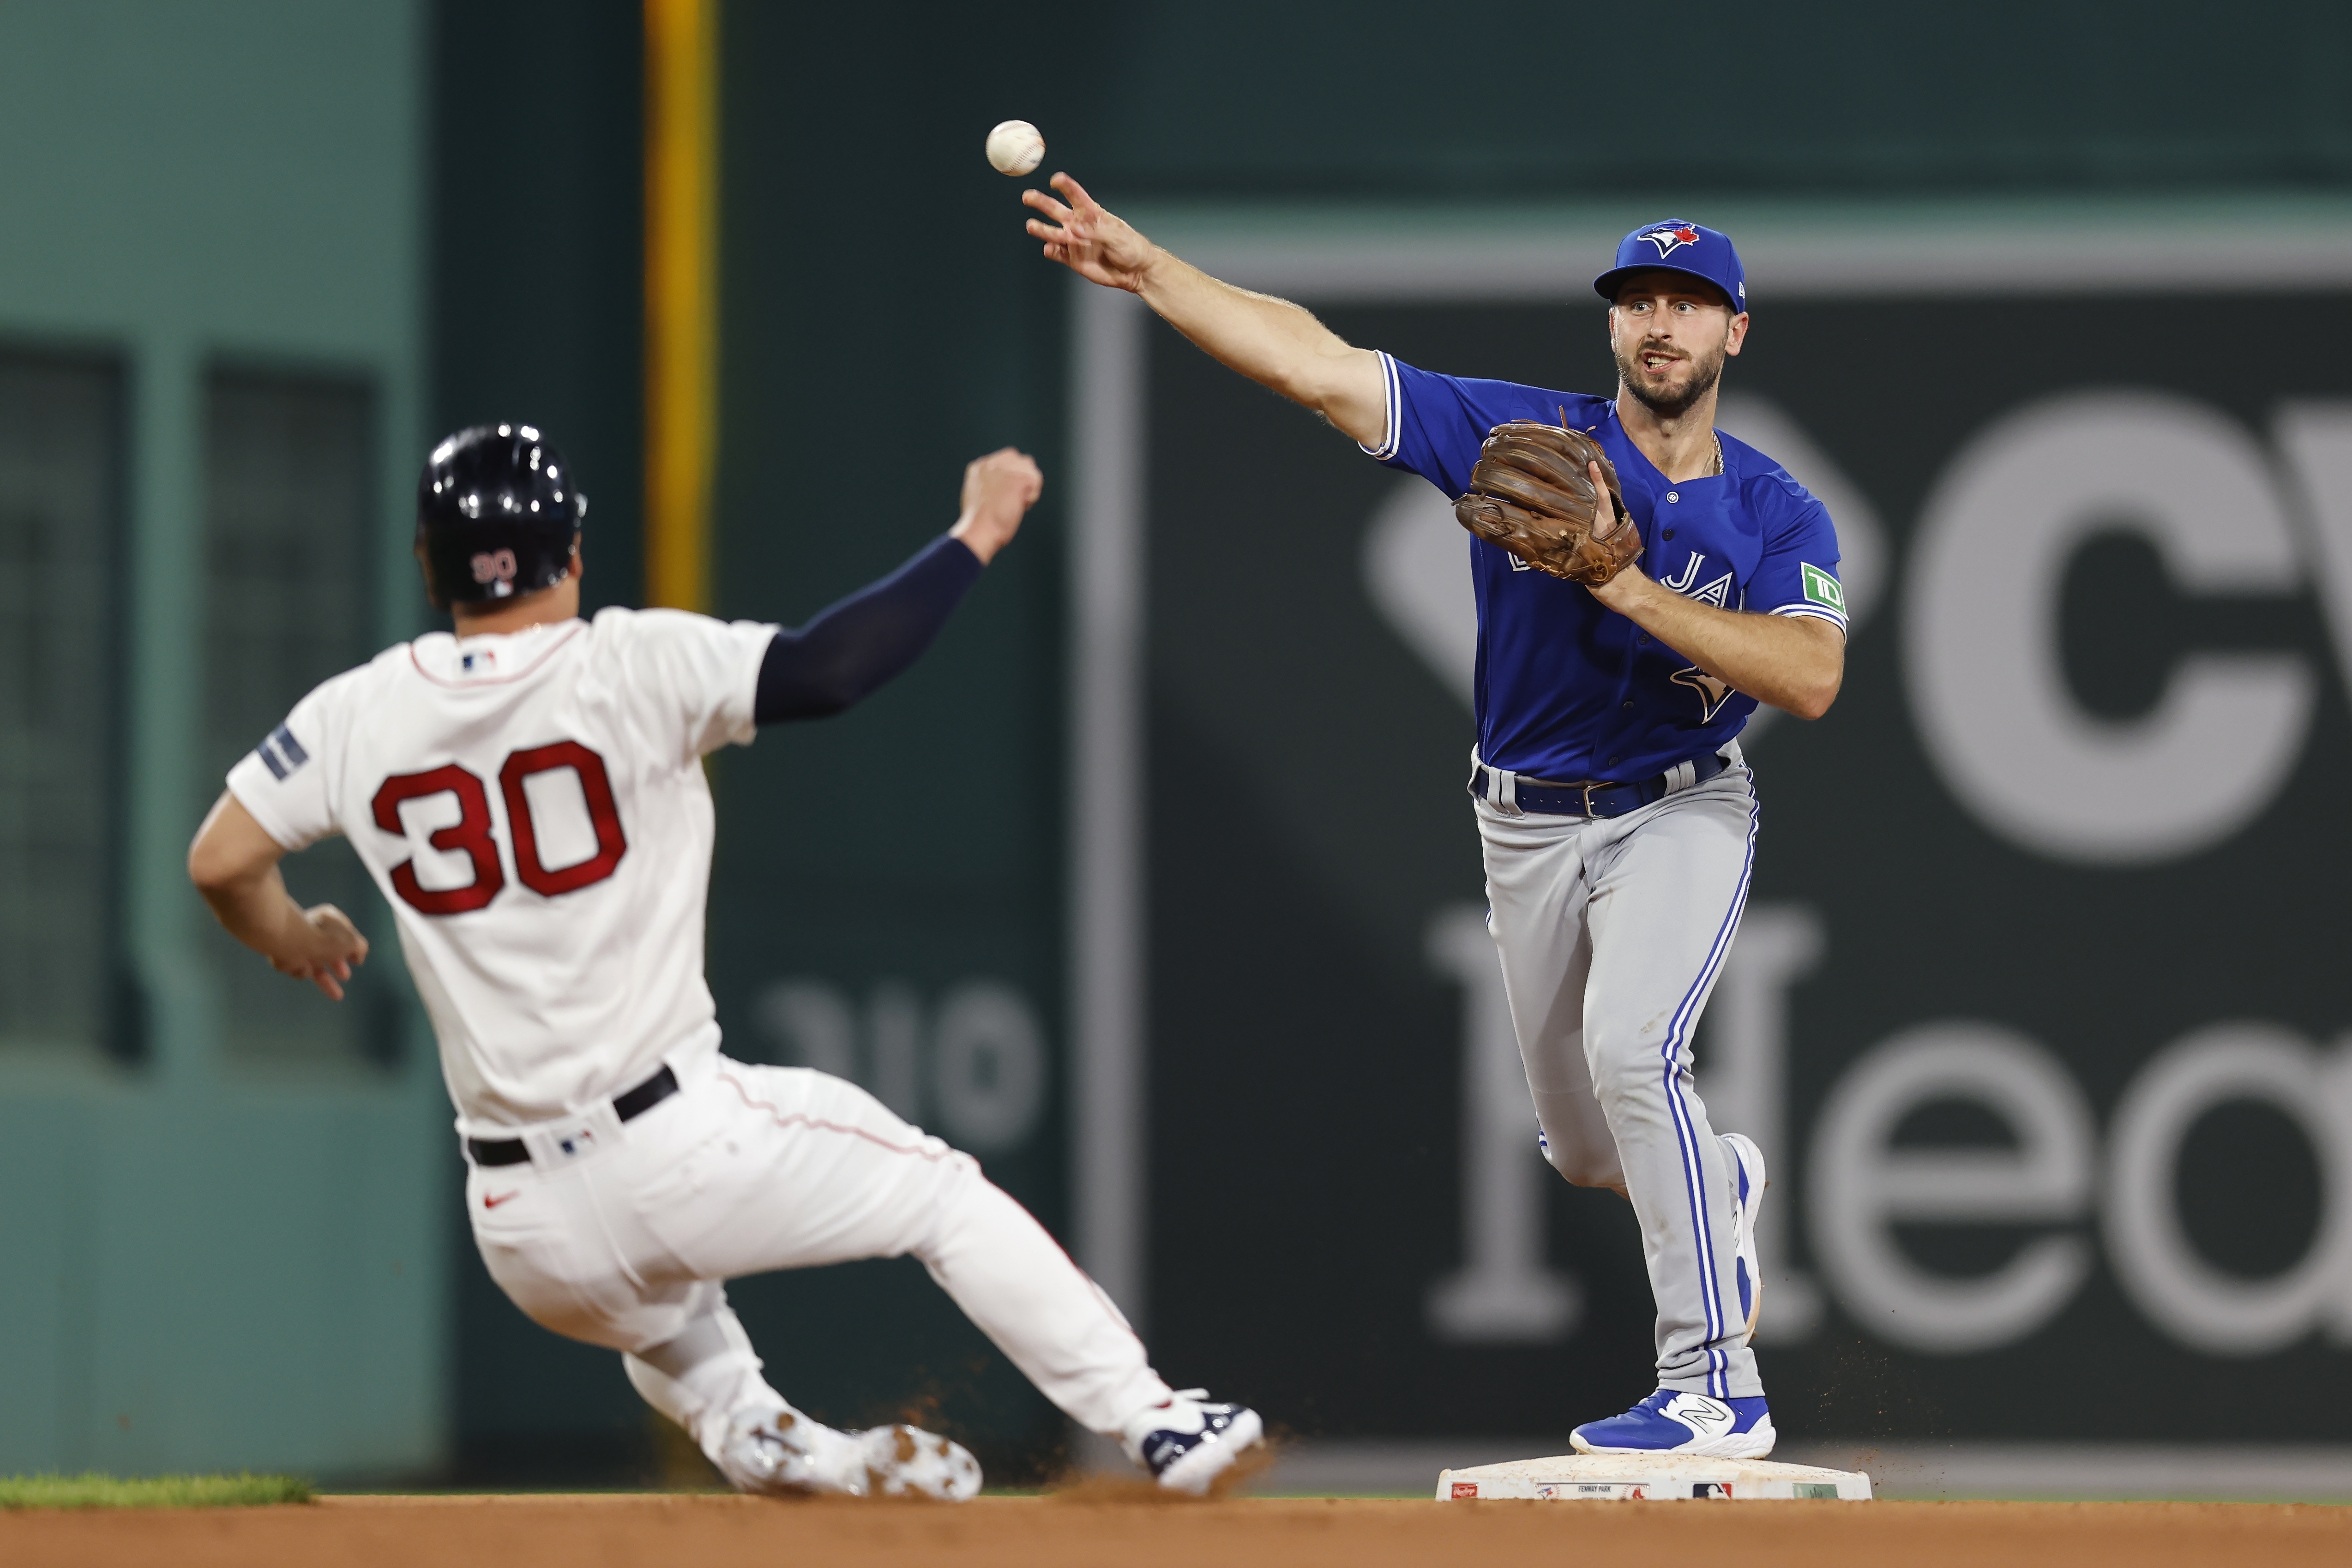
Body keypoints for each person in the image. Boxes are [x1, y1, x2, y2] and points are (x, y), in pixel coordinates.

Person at [186, 424, 1263, 1497]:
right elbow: (832, 669)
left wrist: (295, 934)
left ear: (429, 564)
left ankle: (753, 1428)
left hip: (520, 1232)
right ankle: (1157, 1419)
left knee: (662, 1305)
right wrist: (976, 532)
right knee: (942, 1195)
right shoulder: (625, 661)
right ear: (570, 549)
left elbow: (222, 860)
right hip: (677, 1148)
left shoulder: (355, 712)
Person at [1026, 180, 1847, 1458]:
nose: (1660, 322)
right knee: (1581, 1146)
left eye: (1688, 301)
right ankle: (1718, 1179)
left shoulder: (1777, 511)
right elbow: (1320, 369)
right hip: (1523, 822)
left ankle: (1713, 1382)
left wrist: (1623, 585)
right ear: (1615, 327)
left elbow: (1809, 676)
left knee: (1638, 1057)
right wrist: (1152, 271)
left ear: (1735, 329)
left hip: (1680, 808)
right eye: (1638, 300)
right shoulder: (1524, 435)